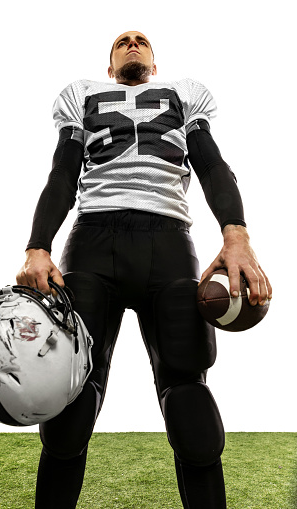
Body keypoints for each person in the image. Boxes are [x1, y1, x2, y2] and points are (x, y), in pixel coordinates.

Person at [16, 30, 272, 509]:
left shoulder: (185, 94)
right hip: (93, 242)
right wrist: (37, 247)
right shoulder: (81, 95)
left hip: (169, 243)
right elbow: (63, 171)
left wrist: (236, 236)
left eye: (141, 41)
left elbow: (212, 164)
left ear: (154, 62)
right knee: (69, 409)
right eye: (121, 42)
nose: (132, 44)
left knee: (190, 403)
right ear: (110, 66)